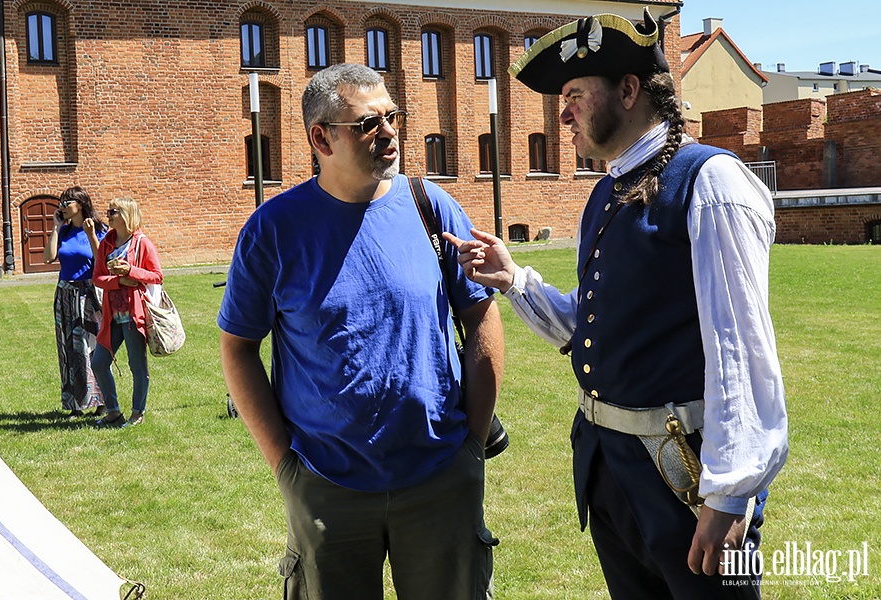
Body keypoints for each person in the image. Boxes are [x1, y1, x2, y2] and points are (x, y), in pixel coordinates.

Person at [443, 10, 788, 600]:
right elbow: (593, 323)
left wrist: (730, 494)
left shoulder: (711, 183)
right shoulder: (606, 189)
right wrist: (515, 281)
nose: (563, 111)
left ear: (629, 90)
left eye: (575, 93)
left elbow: (741, 349)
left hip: (684, 474)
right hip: (610, 467)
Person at [218, 63, 504, 600]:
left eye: (393, 117)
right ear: (320, 137)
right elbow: (237, 346)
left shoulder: (431, 207)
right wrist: (285, 465)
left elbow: (480, 314)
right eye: (369, 124)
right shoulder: (273, 230)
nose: (390, 132)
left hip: (440, 476)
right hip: (328, 489)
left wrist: (471, 442)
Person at [91, 198, 163, 428]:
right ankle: (113, 412)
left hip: (134, 315)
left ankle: (137, 413)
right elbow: (97, 277)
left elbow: (157, 275)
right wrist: (119, 279)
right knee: (99, 362)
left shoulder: (142, 243)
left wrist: (132, 270)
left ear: (126, 215)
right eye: (109, 211)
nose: (108, 215)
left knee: (137, 365)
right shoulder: (107, 243)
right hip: (112, 315)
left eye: (113, 212)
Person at [43, 186, 109, 418]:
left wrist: (91, 235)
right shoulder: (64, 231)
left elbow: (103, 259)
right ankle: (74, 404)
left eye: (66, 203)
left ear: (79, 204)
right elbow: (48, 257)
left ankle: (101, 400)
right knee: (67, 349)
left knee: (90, 347)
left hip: (88, 294)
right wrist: (55, 227)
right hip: (64, 293)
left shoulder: (99, 229)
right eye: (61, 203)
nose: (61, 207)